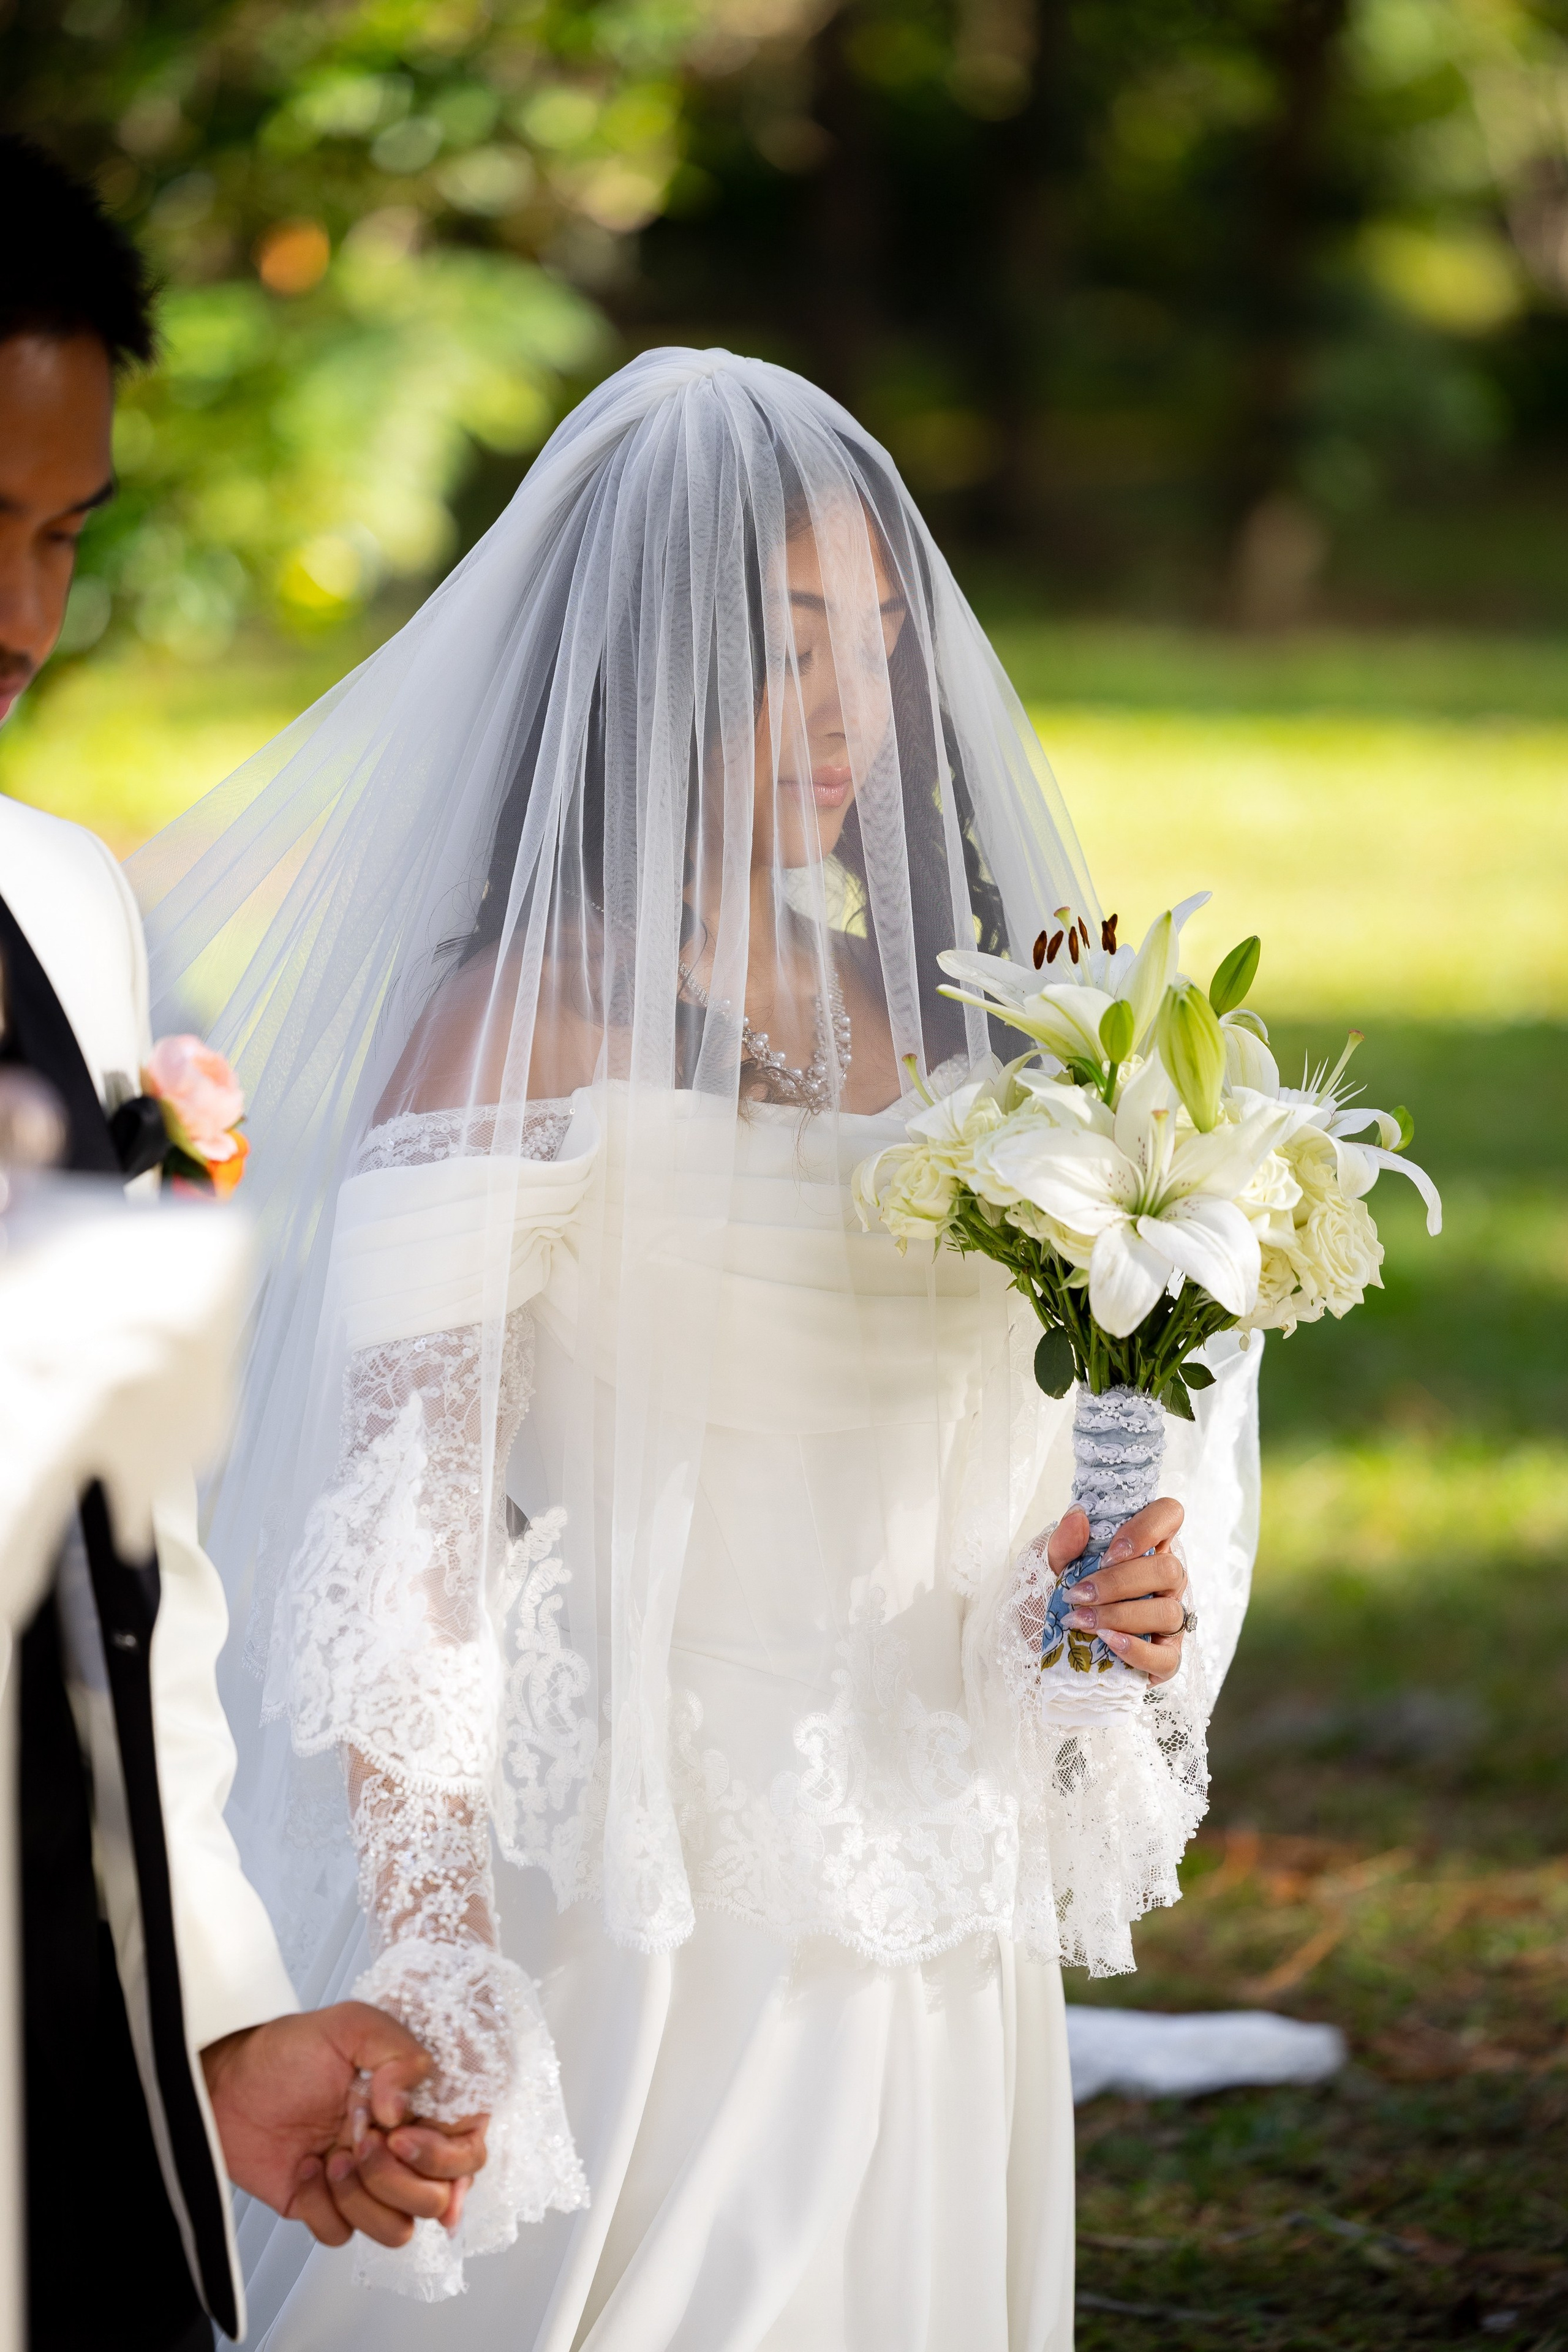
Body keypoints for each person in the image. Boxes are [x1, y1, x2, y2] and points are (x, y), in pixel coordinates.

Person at [135, 347, 1262, 2349]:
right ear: (643, 660)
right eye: (787, 644)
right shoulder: (522, 1027)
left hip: (938, 1902)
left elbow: (977, 1470)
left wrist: (1083, 1608)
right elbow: (405, 1538)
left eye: (877, 644)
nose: (848, 710)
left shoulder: (974, 1030)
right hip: (651, 1912)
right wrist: (440, 1944)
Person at [0, 134, 488, 2352]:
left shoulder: (64, 906)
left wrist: (212, 2013)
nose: (24, 621)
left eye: (61, 537)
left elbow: (135, 1553)